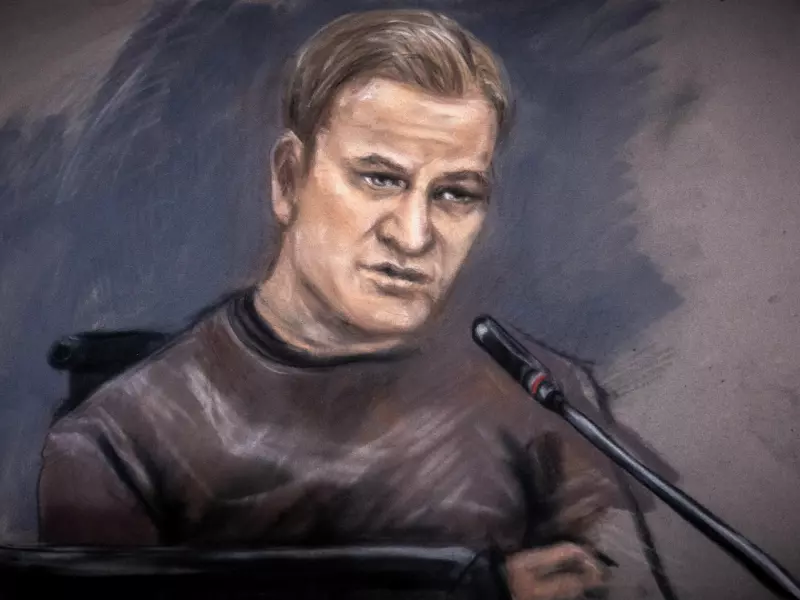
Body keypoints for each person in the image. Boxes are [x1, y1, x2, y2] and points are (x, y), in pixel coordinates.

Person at [38, 9, 658, 599]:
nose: (413, 236)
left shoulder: (546, 400)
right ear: (289, 179)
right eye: (380, 179)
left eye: (455, 194)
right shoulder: (117, 443)